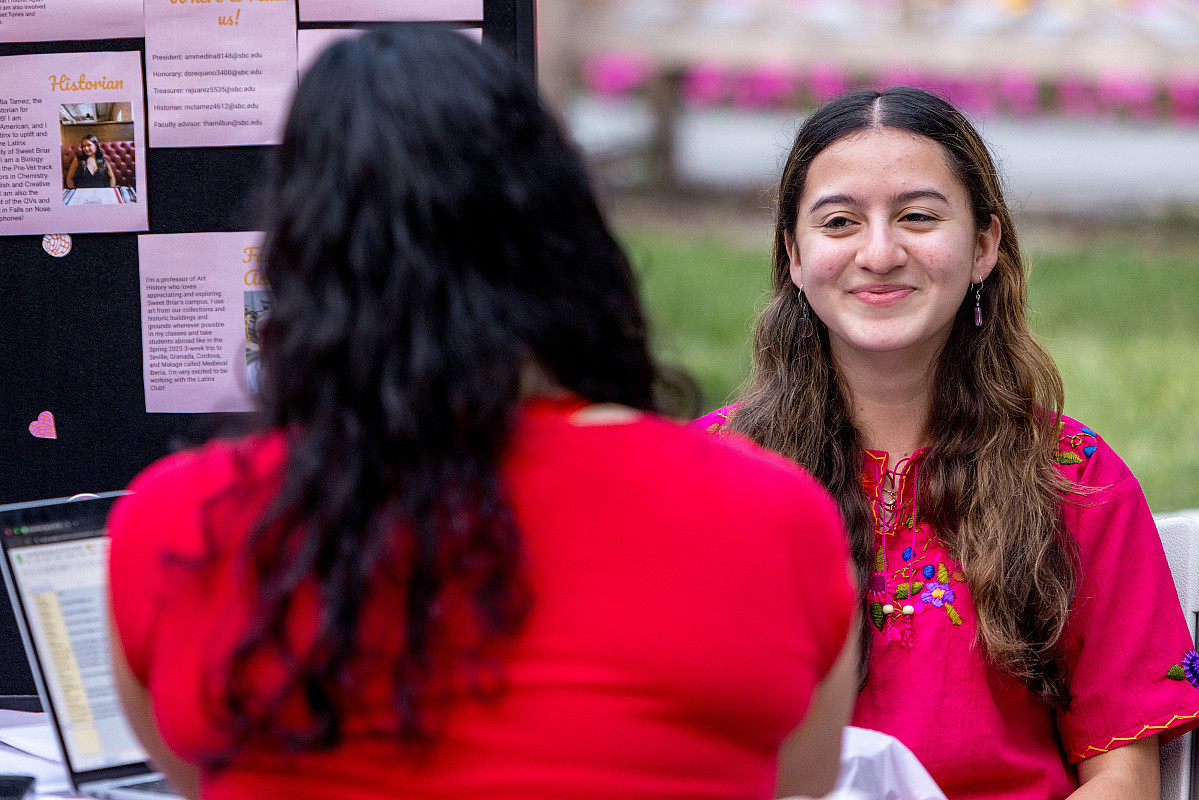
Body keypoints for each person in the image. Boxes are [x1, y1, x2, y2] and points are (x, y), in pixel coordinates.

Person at [106, 28, 859, 800]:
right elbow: (798, 778)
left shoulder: (175, 525)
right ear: (566, 236)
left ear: (300, 260)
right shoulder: (773, 515)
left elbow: (193, 775)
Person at [695, 86, 1199, 799]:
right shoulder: (708, 474)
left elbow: (1124, 777)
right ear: (794, 254)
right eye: (839, 221)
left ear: (983, 245)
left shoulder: (1075, 479)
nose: (879, 252)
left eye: (917, 216)